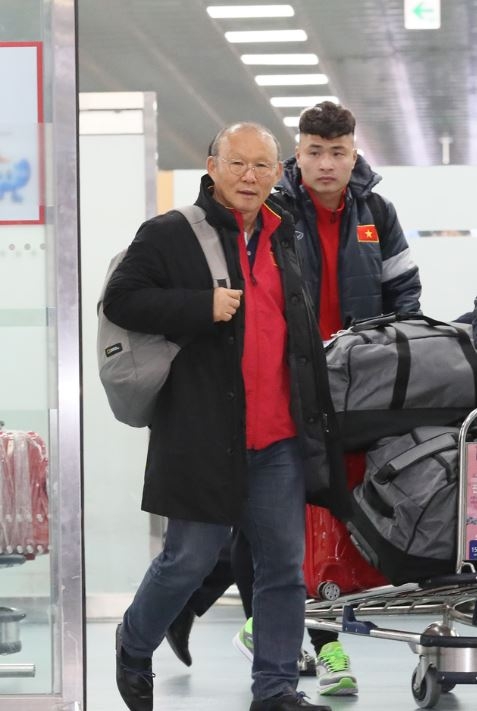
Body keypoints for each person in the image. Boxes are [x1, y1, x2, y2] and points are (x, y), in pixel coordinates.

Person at [166, 101, 422, 698]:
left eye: (338, 152)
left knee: (308, 512)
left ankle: (212, 608)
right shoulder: (273, 208)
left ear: (354, 153)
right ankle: (311, 643)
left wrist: (389, 358)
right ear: (297, 154)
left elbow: (404, 291)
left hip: (356, 384)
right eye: (314, 151)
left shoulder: (376, 212)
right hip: (288, 382)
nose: (326, 164)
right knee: (279, 517)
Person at [103, 121, 337, 711]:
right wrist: (198, 306)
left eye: (262, 166)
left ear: (279, 175)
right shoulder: (170, 234)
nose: (250, 177)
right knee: (189, 559)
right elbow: (122, 300)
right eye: (237, 164)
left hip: (278, 435)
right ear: (212, 167)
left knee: (283, 567)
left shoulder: (286, 237)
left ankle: (276, 689)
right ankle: (133, 643)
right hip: (202, 431)